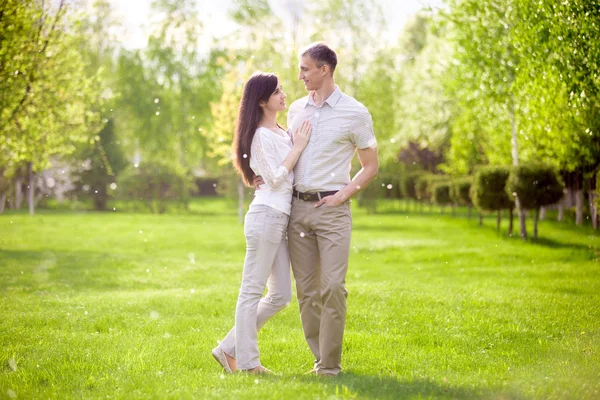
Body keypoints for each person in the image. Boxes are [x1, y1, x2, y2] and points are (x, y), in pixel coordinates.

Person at [256, 42, 379, 376]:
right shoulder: (295, 110)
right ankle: (320, 360)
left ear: (324, 69)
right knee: (307, 292)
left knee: (333, 288)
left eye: (305, 69)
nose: (300, 76)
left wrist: (343, 195)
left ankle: (330, 367)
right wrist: (260, 175)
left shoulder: (355, 112)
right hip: (297, 209)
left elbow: (370, 165)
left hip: (333, 211)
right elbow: (279, 151)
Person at [212, 72, 312, 375]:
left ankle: (226, 348)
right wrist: (298, 148)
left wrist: (294, 144)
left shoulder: (282, 132)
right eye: (276, 91)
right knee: (251, 291)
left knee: (281, 295)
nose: (283, 94)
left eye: (282, 89)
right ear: (261, 100)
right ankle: (248, 364)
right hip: (266, 216)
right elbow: (274, 178)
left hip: (279, 219)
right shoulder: (259, 136)